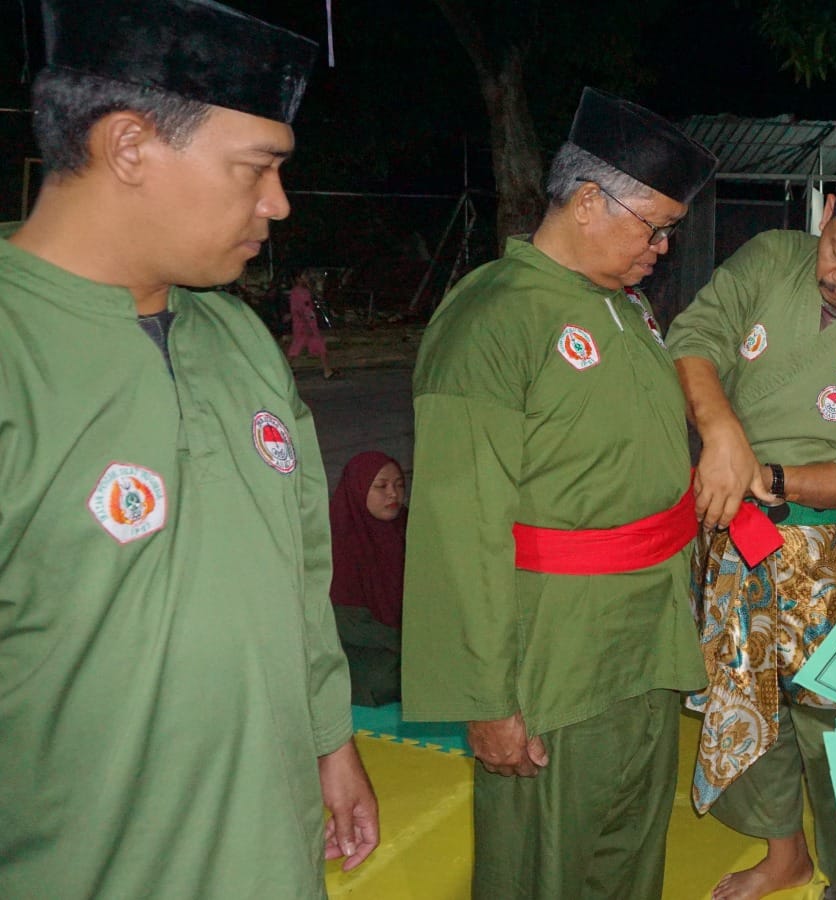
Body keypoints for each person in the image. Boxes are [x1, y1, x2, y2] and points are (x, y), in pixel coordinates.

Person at [0, 1, 379, 896]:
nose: (278, 203)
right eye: (257, 168)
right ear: (130, 147)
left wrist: (331, 740)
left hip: (273, 853)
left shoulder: (239, 340)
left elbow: (300, 571)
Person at [402, 87, 717, 899]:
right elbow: (457, 527)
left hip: (645, 635)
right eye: (654, 227)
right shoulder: (495, 318)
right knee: (544, 865)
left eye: (670, 231)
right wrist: (485, 699)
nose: (662, 248)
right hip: (554, 653)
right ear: (587, 202)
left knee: (630, 852)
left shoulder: (625, 308)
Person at [668, 164, 836, 900]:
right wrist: (722, 431)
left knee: (835, 718)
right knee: (742, 687)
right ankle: (783, 851)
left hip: (826, 555)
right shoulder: (770, 258)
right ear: (825, 216)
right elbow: (695, 335)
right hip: (724, 526)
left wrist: (770, 477)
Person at [330, 451, 408, 706]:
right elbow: (347, 624)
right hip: (361, 649)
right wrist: (407, 642)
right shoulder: (339, 538)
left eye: (399, 485)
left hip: (410, 642)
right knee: (385, 680)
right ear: (359, 489)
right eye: (381, 486)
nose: (393, 494)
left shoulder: (410, 528)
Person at [287, 269, 337, 379]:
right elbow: (298, 310)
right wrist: (306, 323)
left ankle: (327, 370)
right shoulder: (296, 292)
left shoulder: (306, 291)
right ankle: (286, 368)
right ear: (298, 279)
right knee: (296, 347)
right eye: (304, 276)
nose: (306, 278)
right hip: (303, 324)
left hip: (309, 323)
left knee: (318, 345)